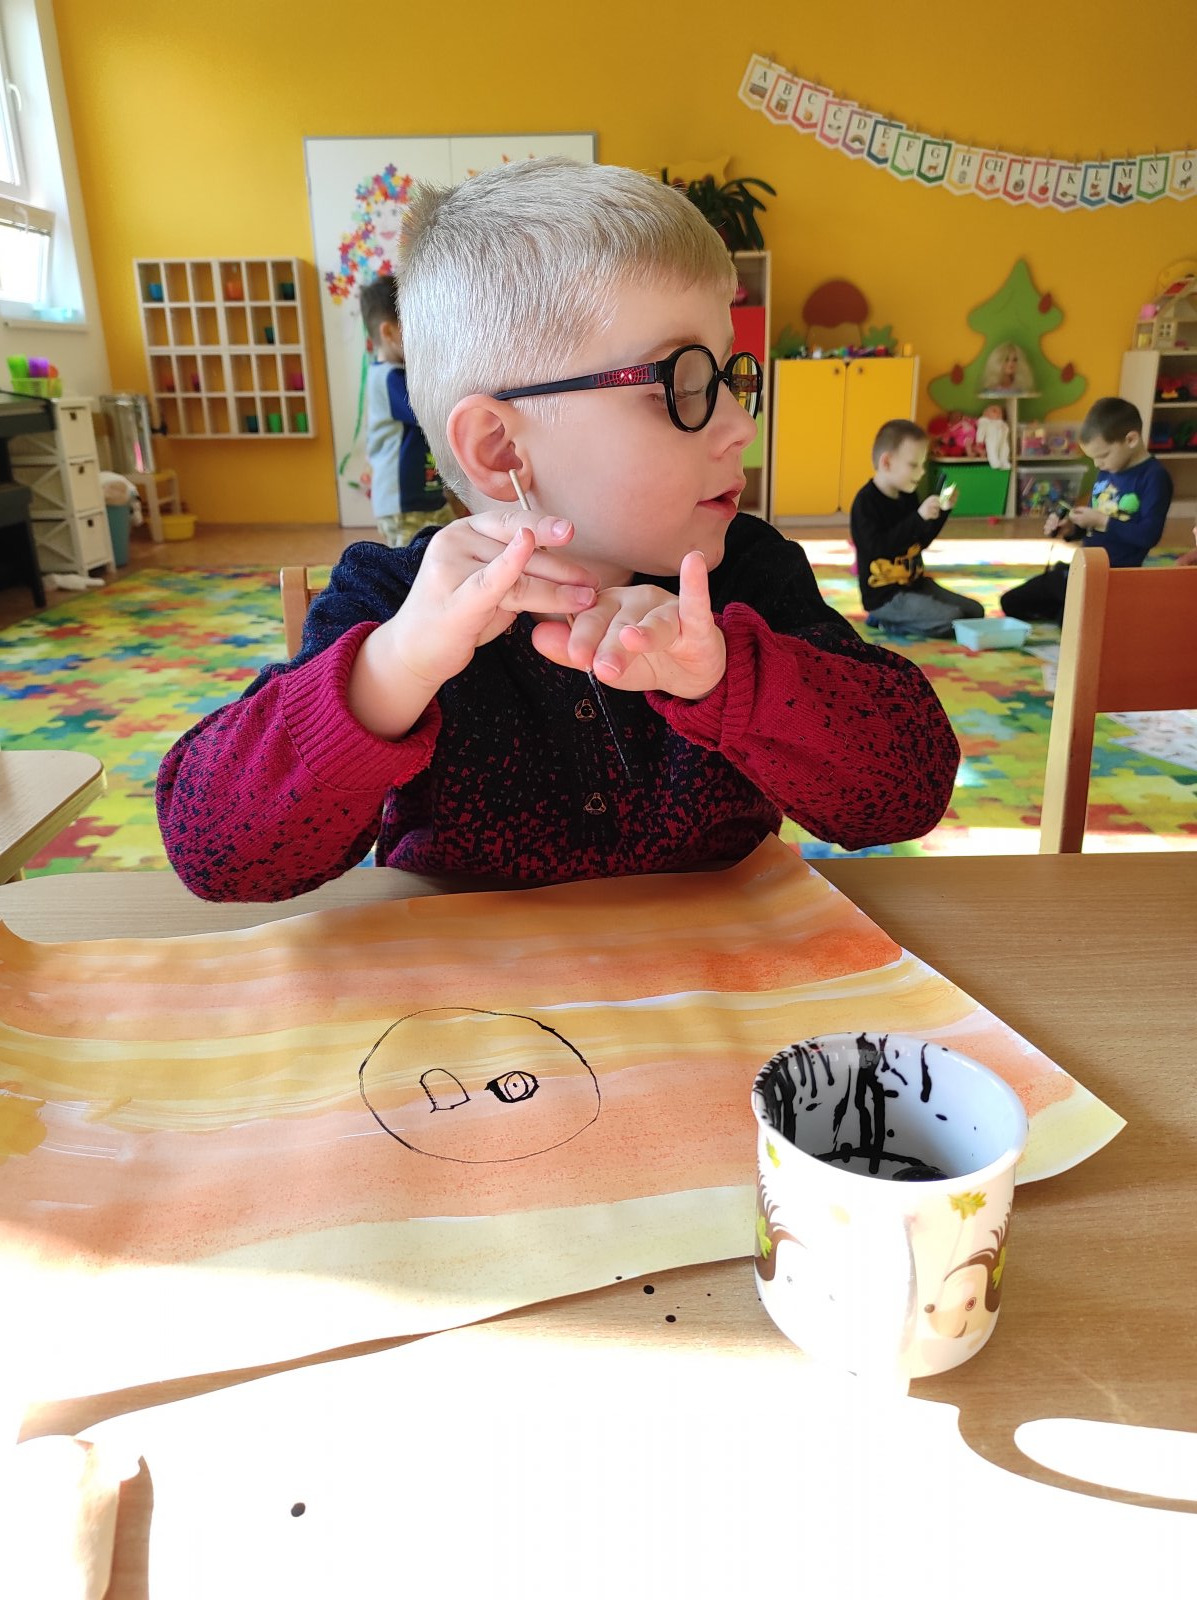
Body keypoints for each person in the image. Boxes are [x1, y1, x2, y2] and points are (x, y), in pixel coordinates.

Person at [156, 159, 959, 903]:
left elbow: (905, 796)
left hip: (718, 985)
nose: (739, 427)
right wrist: (393, 670)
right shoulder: (390, 599)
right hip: (471, 995)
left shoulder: (747, 573)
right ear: (501, 449)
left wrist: (732, 680)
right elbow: (214, 853)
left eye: (727, 377)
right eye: (682, 385)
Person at [1001, 397, 1174, 624]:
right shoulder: (1107, 470)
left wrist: (1103, 521)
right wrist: (1071, 529)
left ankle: (1086, 612)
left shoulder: (1154, 477)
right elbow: (1092, 528)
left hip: (1113, 578)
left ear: (1131, 439)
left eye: (1102, 456)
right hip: (1084, 569)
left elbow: (1149, 536)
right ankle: (1072, 610)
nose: (1097, 464)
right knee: (1011, 602)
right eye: (1093, 458)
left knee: (1074, 626)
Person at [848, 419, 984, 639]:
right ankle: (885, 621)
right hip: (885, 597)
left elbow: (920, 542)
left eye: (922, 464)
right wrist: (918, 517)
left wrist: (941, 513)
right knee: (953, 619)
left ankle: (905, 619)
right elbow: (877, 548)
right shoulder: (865, 503)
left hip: (916, 585)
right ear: (887, 462)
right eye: (914, 465)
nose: (921, 473)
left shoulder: (908, 495)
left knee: (975, 613)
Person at [360, 274, 454, 548]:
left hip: (427, 497)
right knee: (409, 563)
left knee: (448, 547)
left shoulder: (399, 375)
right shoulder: (389, 378)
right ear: (388, 332)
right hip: (404, 502)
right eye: (414, 329)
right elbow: (426, 411)